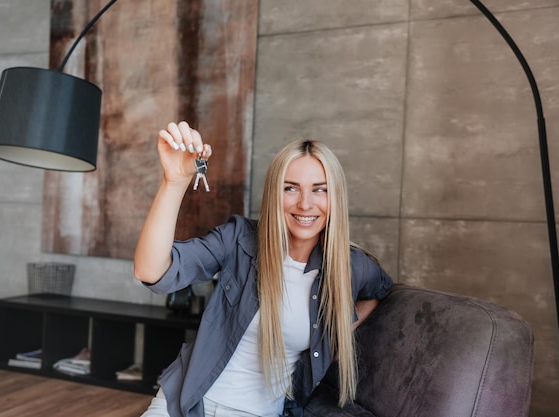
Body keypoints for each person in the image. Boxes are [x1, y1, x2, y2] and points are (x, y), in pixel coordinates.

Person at [134, 121, 393, 417]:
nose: (305, 204)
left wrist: (341, 330)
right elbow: (151, 271)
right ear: (274, 193)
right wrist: (174, 181)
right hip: (185, 401)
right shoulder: (238, 239)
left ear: (335, 198)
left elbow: (380, 292)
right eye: (290, 188)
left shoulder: (352, 266)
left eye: (319, 190)